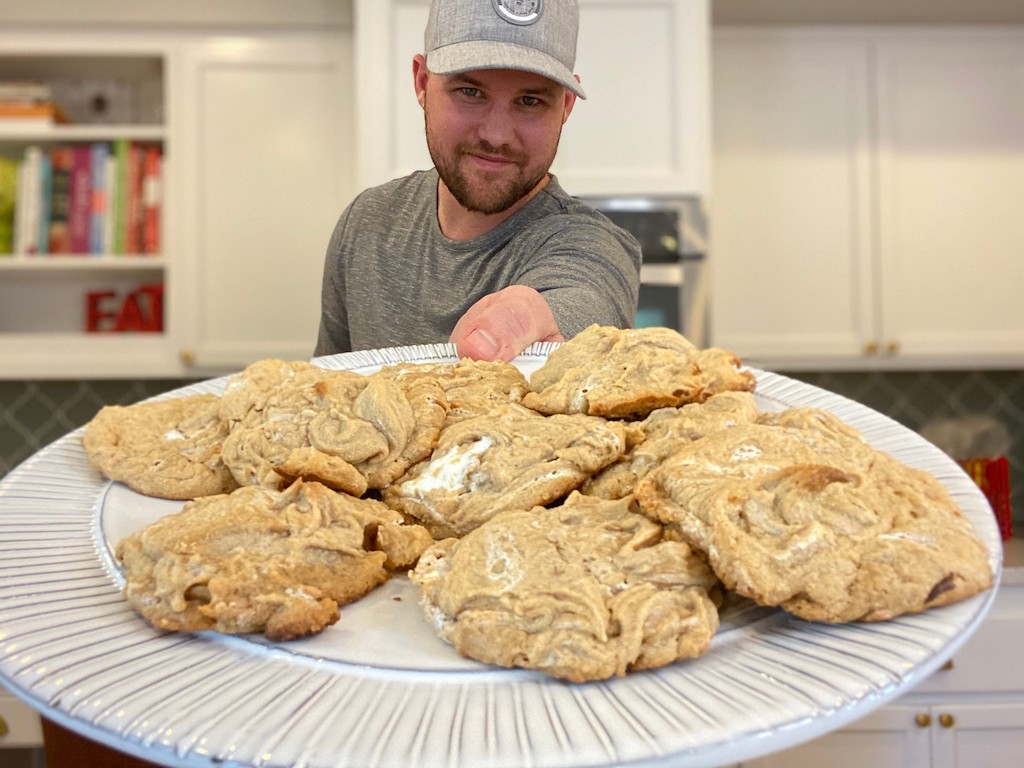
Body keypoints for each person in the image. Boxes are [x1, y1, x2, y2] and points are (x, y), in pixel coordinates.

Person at [315, 0, 641, 362]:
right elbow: (326, 388)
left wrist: (523, 319)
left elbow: (587, 291)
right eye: (470, 92)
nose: (497, 134)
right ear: (422, 82)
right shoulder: (366, 222)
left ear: (565, 106)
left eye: (530, 101)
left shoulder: (593, 243)